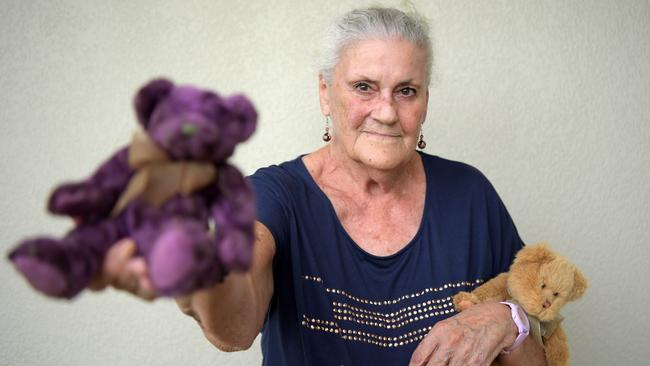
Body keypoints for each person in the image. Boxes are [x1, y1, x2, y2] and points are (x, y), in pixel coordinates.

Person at [92, 6, 548, 366]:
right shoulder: (276, 196)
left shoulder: (470, 194)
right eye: (364, 87)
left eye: (406, 90)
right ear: (325, 93)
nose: (386, 112)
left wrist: (511, 321)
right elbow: (235, 327)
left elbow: (539, 346)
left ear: (425, 101)